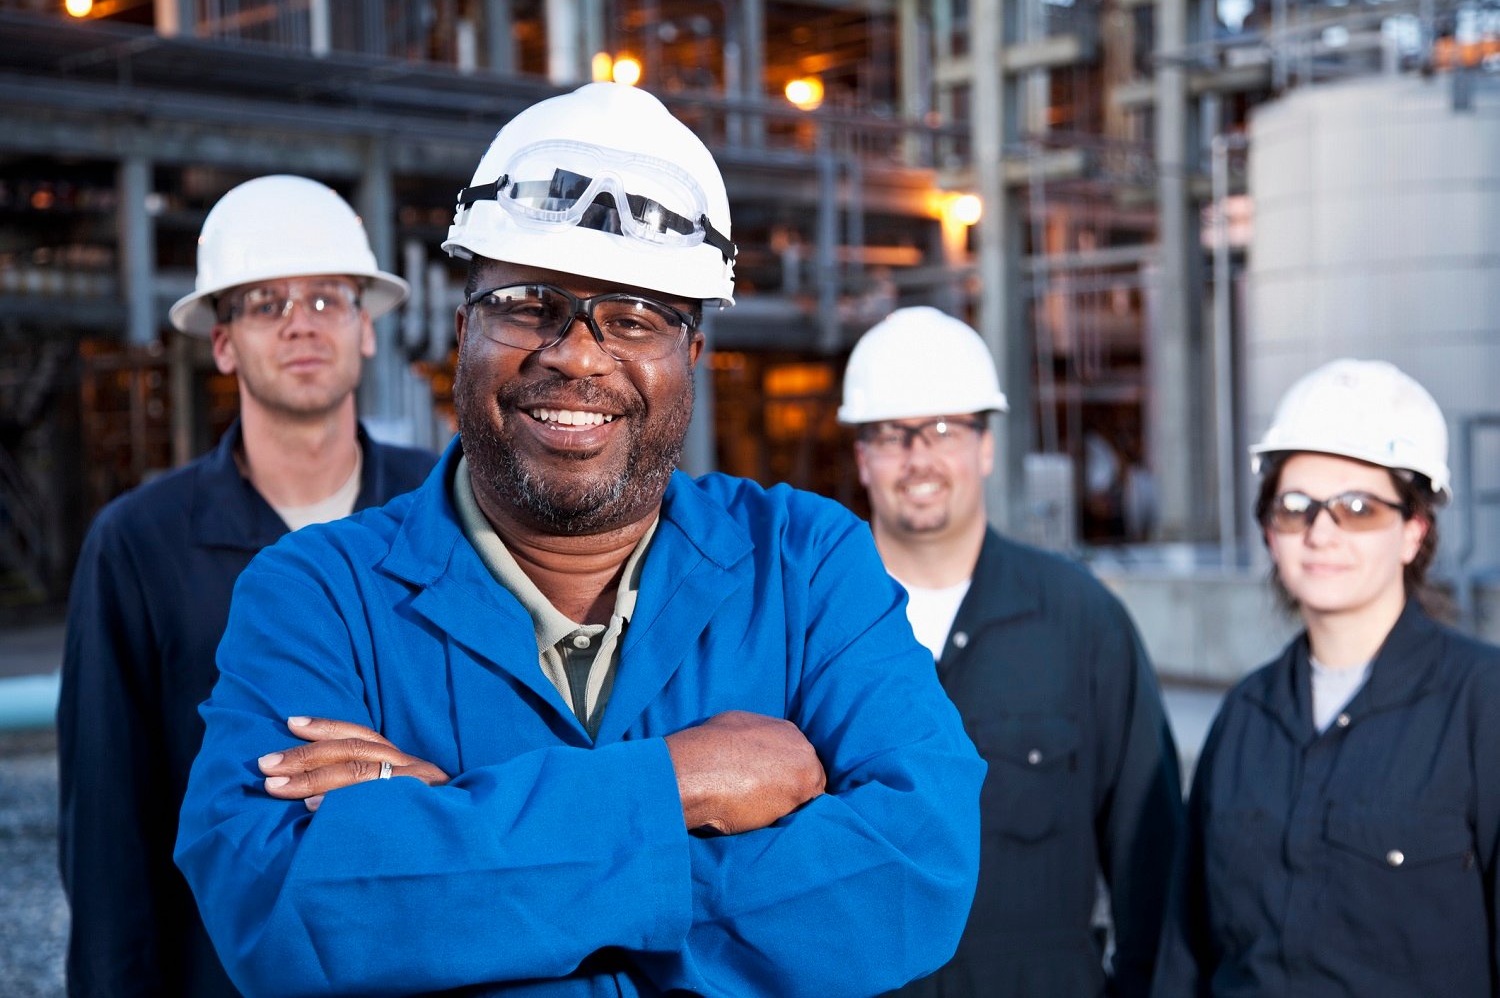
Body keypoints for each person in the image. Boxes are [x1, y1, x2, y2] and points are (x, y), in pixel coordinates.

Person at [174, 82, 984, 998]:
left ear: (694, 357)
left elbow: (917, 872)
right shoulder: (317, 596)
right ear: (463, 328)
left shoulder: (803, 563)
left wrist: (443, 844)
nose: (578, 355)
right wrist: (676, 785)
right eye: (528, 303)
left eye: (636, 318)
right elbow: (287, 909)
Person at [57, 174, 437, 997]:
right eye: (266, 303)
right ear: (223, 341)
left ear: (367, 328)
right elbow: (108, 826)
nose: (301, 323)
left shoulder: (444, 512)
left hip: (427, 958)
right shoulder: (140, 542)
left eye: (328, 300)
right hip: (225, 971)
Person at [838, 307, 1184, 997]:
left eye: (944, 430)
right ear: (862, 456)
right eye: (894, 434)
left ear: (987, 446)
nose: (920, 458)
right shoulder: (812, 625)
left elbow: (1155, 863)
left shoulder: (1080, 621)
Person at [1153, 358, 1500, 996]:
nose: (1321, 531)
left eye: (1359, 508)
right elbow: (1185, 953)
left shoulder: (1482, 706)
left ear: (1412, 533)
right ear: (1268, 532)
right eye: (1295, 507)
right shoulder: (1244, 717)